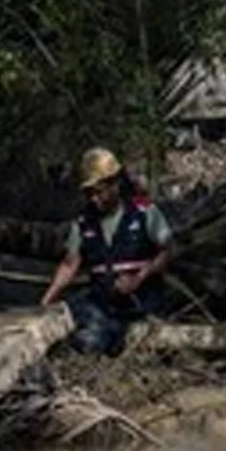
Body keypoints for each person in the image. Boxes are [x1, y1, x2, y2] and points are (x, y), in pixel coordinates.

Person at [39, 148, 174, 355]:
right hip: (102, 305)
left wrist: (139, 277)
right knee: (86, 331)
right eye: (89, 193)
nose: (94, 199)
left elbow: (167, 252)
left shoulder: (144, 212)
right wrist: (47, 300)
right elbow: (70, 264)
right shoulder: (84, 222)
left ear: (115, 184)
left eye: (99, 191)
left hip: (142, 304)